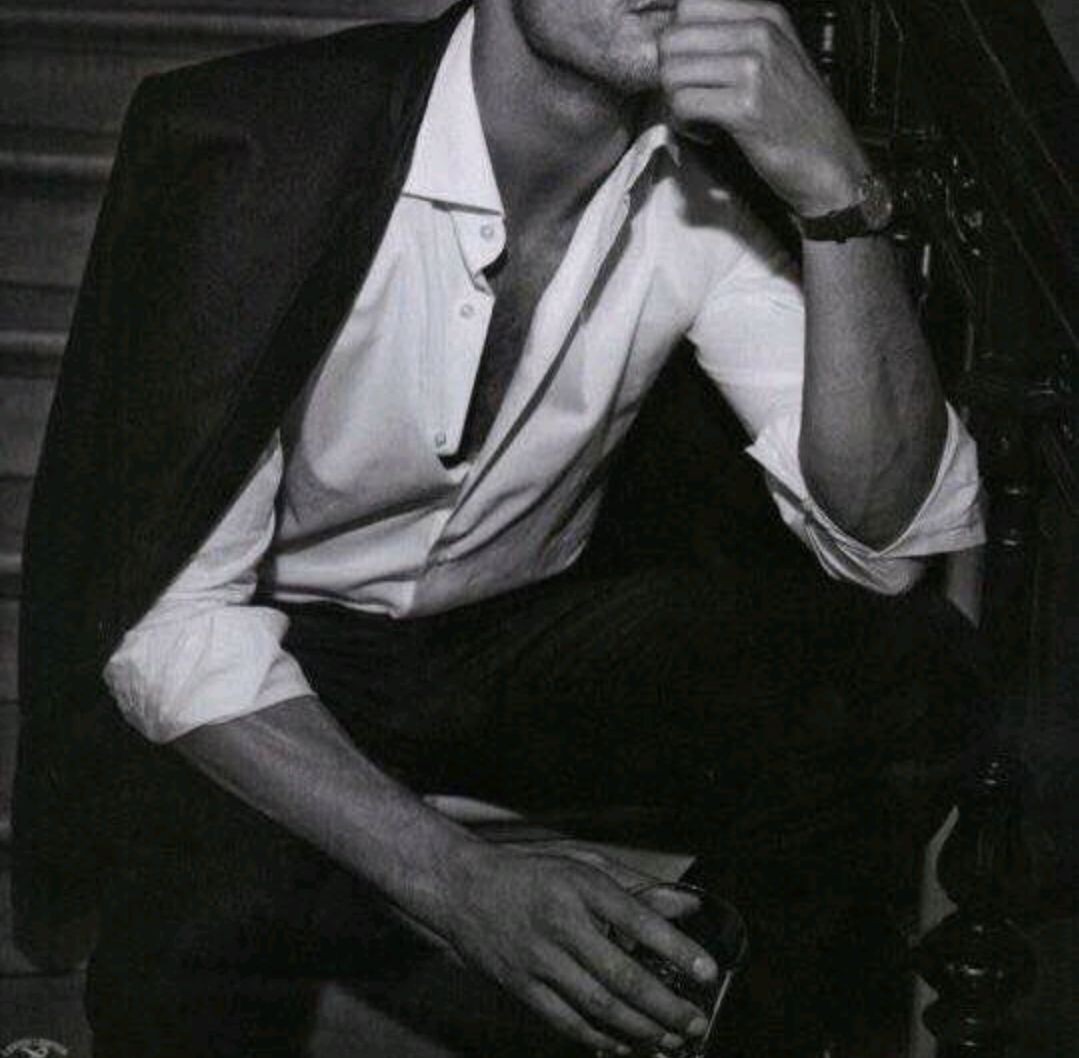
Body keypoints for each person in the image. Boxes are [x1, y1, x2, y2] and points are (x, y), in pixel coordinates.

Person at [15, 1, 988, 1055]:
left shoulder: (702, 190)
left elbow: (885, 538)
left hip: (511, 632)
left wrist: (837, 199)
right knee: (196, 884)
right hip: (280, 635)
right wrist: (458, 883)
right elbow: (169, 623)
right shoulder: (256, 144)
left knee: (912, 672)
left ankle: (691, 1016)